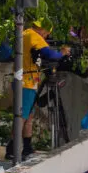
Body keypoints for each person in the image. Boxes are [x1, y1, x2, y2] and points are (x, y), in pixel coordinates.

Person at [16, 18, 69, 156]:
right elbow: (52, 55)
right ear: (42, 29)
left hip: (25, 81)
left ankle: (26, 147)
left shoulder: (25, 33)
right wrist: (63, 52)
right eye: (46, 34)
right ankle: (13, 148)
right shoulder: (34, 36)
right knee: (21, 118)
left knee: (28, 117)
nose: (45, 37)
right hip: (27, 83)